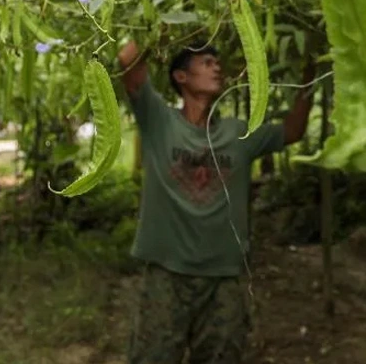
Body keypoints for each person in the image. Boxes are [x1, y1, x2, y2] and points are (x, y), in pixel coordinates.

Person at [117, 38, 315, 364]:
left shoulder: (240, 134)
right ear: (181, 77)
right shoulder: (159, 121)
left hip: (224, 279)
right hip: (168, 276)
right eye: (206, 62)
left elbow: (293, 131)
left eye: (216, 62)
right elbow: (127, 59)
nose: (217, 67)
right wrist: (164, 15)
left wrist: (309, 71)